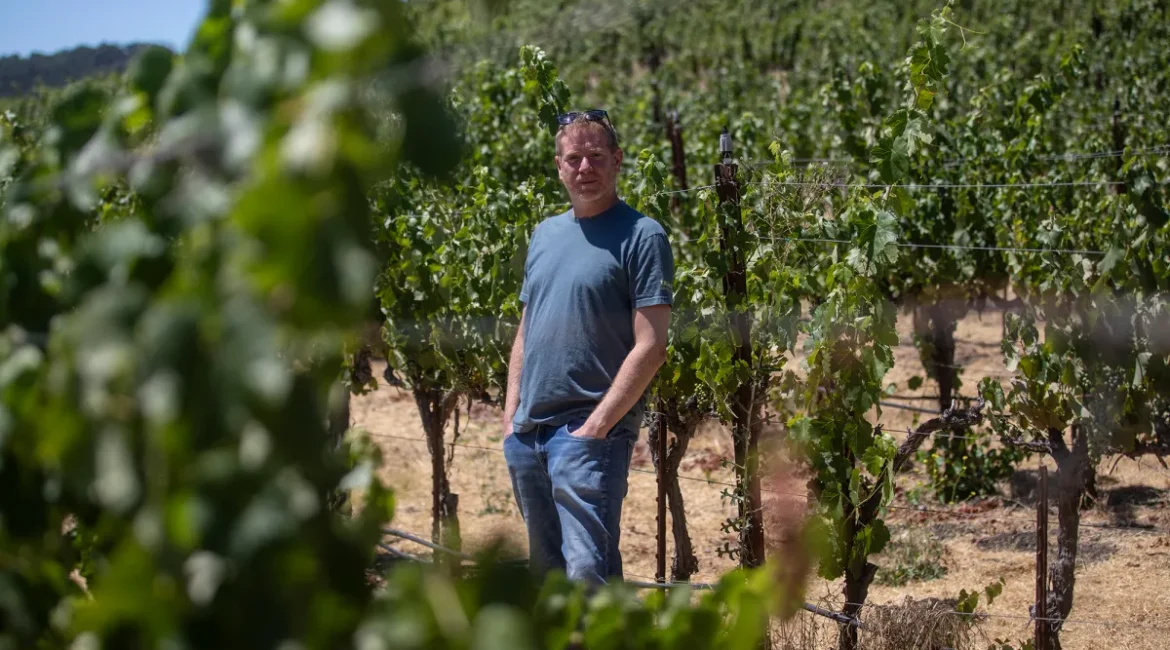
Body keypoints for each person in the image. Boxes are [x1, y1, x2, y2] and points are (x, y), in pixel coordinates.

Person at [501, 109, 673, 584]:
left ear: (617, 160)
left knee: (587, 577)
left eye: (596, 156)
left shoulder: (643, 235)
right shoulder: (545, 234)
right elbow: (526, 329)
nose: (585, 167)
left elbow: (653, 345)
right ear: (559, 167)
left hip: (588, 436)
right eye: (573, 158)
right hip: (528, 435)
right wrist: (511, 417)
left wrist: (595, 427)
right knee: (548, 580)